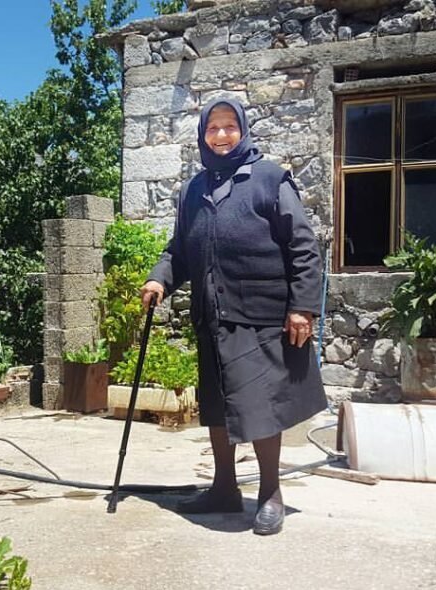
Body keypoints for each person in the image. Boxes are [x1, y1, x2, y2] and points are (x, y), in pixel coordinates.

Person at [140, 97, 327, 536]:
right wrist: (158, 280)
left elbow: (303, 247)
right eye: (213, 129)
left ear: (242, 131)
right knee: (218, 405)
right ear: (203, 135)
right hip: (213, 315)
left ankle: (269, 494)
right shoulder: (192, 190)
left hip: (260, 313)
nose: (221, 136)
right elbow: (179, 251)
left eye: (229, 128)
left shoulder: (269, 179)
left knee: (261, 407)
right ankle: (223, 487)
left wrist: (302, 307)